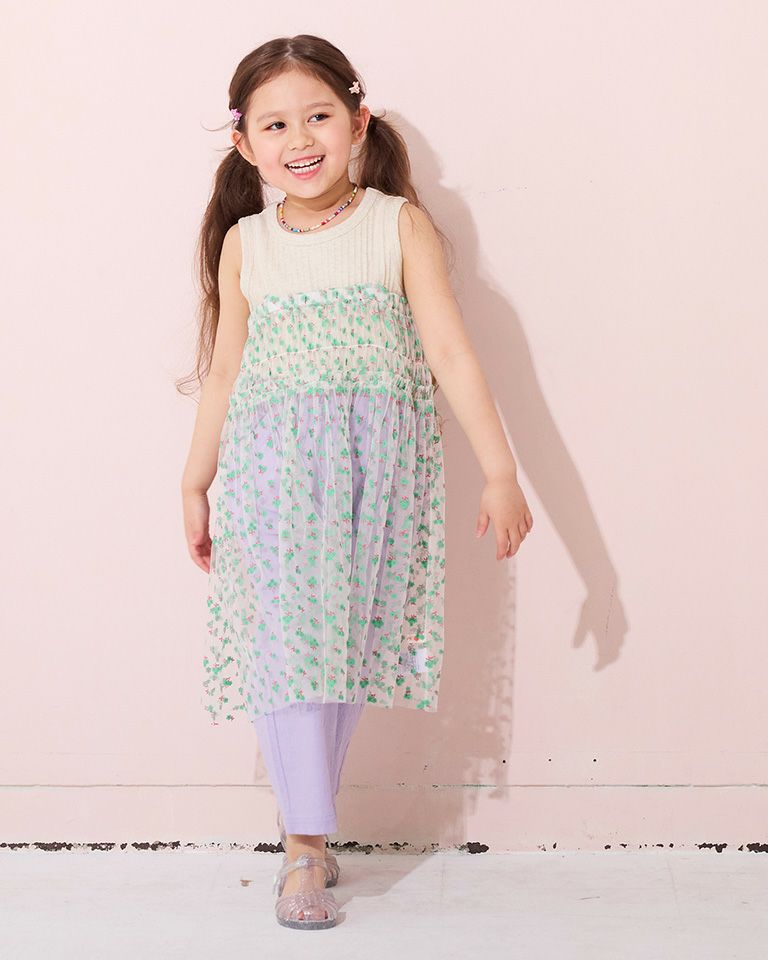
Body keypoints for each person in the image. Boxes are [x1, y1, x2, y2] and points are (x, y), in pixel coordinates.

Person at [179, 34, 534, 930]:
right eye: (275, 125)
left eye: (318, 117)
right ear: (244, 143)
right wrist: (195, 479)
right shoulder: (247, 244)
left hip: (378, 476)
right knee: (286, 648)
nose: (300, 139)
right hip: (271, 474)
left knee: (337, 651)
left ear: (358, 121)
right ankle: (304, 848)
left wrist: (500, 471)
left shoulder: (395, 225)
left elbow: (449, 350)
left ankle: (309, 831)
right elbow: (225, 373)